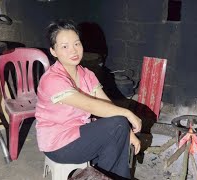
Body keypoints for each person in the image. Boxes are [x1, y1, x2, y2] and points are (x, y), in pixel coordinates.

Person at [35, 19, 142, 179]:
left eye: (77, 44)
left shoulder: (87, 74)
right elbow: (91, 105)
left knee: (117, 134)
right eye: (65, 46)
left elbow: (106, 104)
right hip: (57, 144)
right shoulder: (52, 79)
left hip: (79, 133)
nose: (73, 50)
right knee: (117, 126)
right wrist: (128, 114)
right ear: (53, 51)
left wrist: (128, 133)